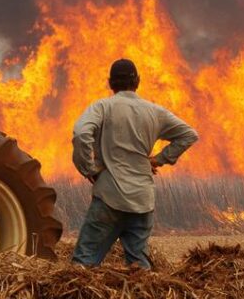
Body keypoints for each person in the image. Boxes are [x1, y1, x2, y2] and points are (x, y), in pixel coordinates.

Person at [71, 58, 198, 268]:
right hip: (142, 200)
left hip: (109, 197)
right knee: (139, 272)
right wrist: (159, 159)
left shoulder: (103, 107)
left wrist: (88, 168)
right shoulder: (155, 112)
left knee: (83, 266)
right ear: (137, 81)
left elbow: (82, 133)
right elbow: (189, 135)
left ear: (110, 83)